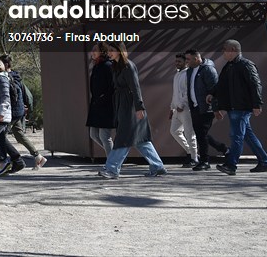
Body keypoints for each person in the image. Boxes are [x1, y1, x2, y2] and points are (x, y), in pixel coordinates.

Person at [98, 43, 166, 179]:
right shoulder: (116, 66)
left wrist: (139, 107)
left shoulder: (128, 66)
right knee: (140, 140)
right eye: (108, 51)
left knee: (124, 137)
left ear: (120, 51)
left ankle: (112, 169)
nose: (109, 53)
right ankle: (158, 166)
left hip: (131, 108)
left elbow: (135, 88)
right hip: (122, 105)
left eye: (112, 50)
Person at [214, 39, 267, 175]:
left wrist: (257, 104)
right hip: (233, 107)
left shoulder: (246, 65)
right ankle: (265, 161)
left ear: (233, 50)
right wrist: (213, 95)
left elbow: (255, 84)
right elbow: (220, 86)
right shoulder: (228, 66)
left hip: (241, 107)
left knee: (236, 136)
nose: (223, 51)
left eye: (225, 49)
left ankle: (231, 165)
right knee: (246, 135)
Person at [0, 54, 46, 169]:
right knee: (20, 135)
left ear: (5, 65)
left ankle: (5, 161)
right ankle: (37, 156)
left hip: (12, 112)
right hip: (18, 111)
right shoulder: (16, 77)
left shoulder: (6, 77)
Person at [183, 48, 223, 171]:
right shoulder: (190, 71)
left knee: (202, 134)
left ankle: (205, 161)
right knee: (201, 134)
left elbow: (215, 89)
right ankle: (224, 149)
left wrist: (216, 109)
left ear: (196, 58)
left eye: (188, 59)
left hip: (206, 108)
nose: (186, 62)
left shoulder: (208, 69)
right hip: (195, 107)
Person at [85, 42, 116, 158]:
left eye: (95, 50)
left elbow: (113, 87)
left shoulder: (108, 66)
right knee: (93, 134)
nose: (92, 52)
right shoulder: (96, 66)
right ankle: (114, 156)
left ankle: (112, 163)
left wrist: (103, 98)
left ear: (102, 52)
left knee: (104, 136)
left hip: (106, 106)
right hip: (96, 106)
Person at [169, 53, 198, 167]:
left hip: (185, 109)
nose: (177, 63)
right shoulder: (177, 75)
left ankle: (194, 158)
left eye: (179, 62)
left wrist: (181, 104)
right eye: (176, 61)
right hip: (176, 109)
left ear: (185, 62)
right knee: (174, 131)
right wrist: (171, 107)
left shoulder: (187, 74)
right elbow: (175, 93)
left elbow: (188, 91)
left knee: (190, 134)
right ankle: (190, 152)